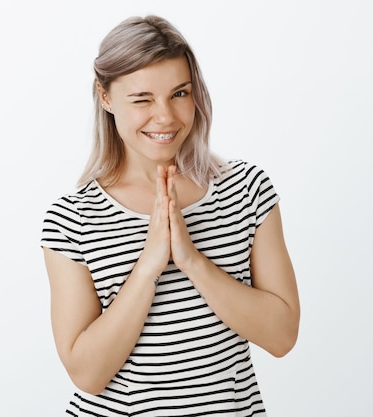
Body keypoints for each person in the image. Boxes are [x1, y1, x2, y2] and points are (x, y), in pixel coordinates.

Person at [40, 15, 300, 416]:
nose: (165, 117)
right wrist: (148, 264)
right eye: (142, 99)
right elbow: (88, 375)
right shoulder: (72, 219)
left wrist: (192, 259)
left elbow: (282, 336)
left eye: (179, 94)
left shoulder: (247, 190)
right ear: (105, 97)